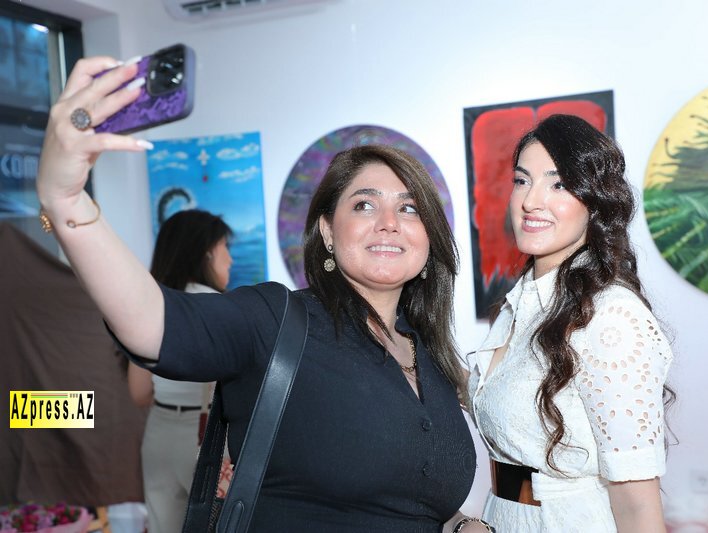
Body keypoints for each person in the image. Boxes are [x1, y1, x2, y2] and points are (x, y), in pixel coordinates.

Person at [36, 57, 488, 532]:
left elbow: (411, 498)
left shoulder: (431, 354)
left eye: (410, 208)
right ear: (327, 232)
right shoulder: (276, 321)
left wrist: (461, 525)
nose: (389, 222)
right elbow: (155, 323)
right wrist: (66, 201)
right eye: (364, 204)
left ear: (429, 236)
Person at [463, 114, 675, 532]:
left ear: (595, 201)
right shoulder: (522, 303)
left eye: (558, 184)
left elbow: (638, 507)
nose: (530, 201)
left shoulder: (610, 315)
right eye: (522, 180)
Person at [127, 209, 233, 533]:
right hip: (209, 435)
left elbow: (139, 392)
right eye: (225, 247)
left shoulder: (148, 308)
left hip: (159, 434)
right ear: (208, 252)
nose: (230, 259)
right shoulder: (222, 308)